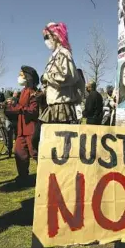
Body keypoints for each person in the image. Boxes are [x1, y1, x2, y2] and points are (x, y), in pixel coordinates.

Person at [32, 22, 84, 152]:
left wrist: (47, 77)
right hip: (53, 106)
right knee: (41, 141)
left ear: (55, 36)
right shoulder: (53, 56)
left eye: (47, 37)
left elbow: (69, 76)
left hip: (62, 107)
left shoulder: (64, 53)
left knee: (61, 145)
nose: (46, 41)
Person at [5, 66, 39, 186]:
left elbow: (33, 111)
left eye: (21, 75)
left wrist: (18, 107)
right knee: (19, 152)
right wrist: (9, 107)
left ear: (28, 77)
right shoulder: (23, 91)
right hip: (21, 129)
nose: (19, 77)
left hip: (31, 128)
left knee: (35, 153)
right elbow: (19, 109)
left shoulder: (34, 92)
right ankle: (23, 176)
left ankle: (46, 174)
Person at [4, 90, 19, 158]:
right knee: (14, 136)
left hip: (10, 121)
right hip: (14, 120)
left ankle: (11, 151)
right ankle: (15, 151)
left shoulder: (7, 101)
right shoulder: (17, 101)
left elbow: (3, 108)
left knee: (10, 137)